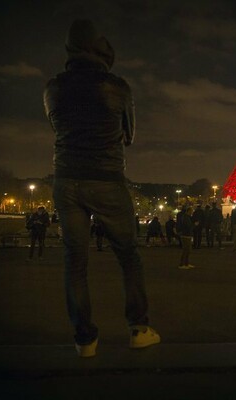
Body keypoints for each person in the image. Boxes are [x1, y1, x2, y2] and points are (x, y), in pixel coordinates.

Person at [44, 19, 159, 357]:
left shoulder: (52, 87)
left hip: (66, 180)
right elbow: (130, 136)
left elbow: (57, 127)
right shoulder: (117, 86)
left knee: (75, 261)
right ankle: (138, 328)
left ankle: (84, 340)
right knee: (128, 257)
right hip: (107, 178)